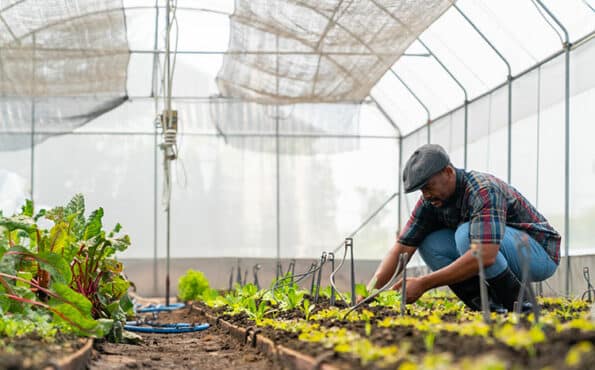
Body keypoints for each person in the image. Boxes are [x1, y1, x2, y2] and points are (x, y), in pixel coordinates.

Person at [365, 144, 560, 311]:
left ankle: (521, 304)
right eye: (421, 190)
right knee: (429, 242)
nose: (426, 195)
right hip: (500, 250)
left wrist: (424, 284)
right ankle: (490, 308)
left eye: (428, 186)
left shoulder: (483, 190)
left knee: (467, 235)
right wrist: (370, 292)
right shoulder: (430, 202)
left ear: (449, 172)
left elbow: (485, 254)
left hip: (538, 254)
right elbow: (402, 247)